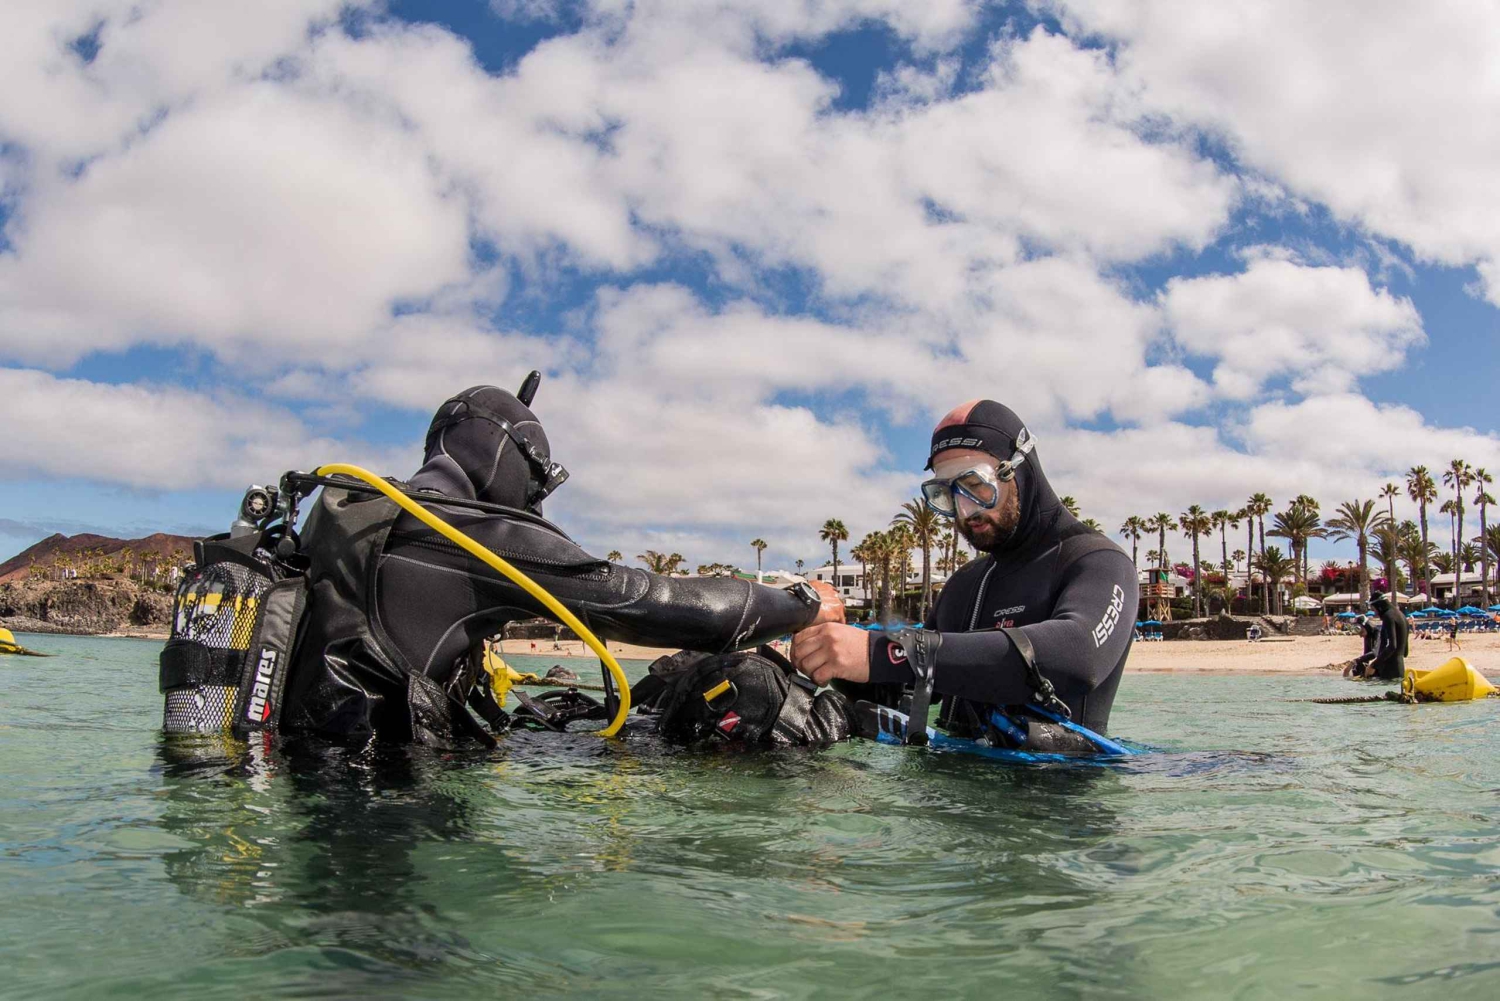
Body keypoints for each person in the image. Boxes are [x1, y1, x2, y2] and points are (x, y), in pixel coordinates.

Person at [162, 381, 844, 747]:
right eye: (538, 481)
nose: (537, 503)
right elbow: (655, 602)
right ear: (509, 459)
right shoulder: (471, 534)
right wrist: (802, 602)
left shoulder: (343, 513)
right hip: (381, 828)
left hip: (301, 781)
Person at [791, 399, 1138, 745]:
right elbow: (900, 689)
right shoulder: (966, 583)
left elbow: (1078, 656)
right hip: (952, 792)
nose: (965, 510)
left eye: (976, 486)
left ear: (1018, 467)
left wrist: (881, 651)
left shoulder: (1099, 562)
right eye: (946, 494)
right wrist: (829, 649)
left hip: (1057, 794)